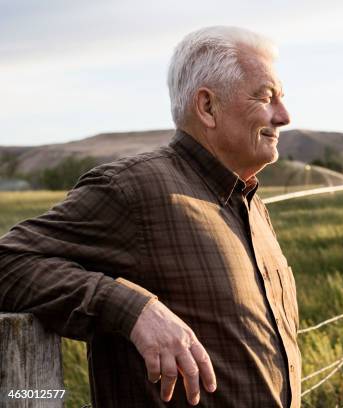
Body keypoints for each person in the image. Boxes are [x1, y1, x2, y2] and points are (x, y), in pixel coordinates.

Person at [0, 26, 300, 407]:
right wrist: (131, 309)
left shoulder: (250, 202)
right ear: (207, 107)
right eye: (266, 97)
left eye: (282, 99)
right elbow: (7, 261)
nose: (285, 116)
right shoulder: (133, 189)